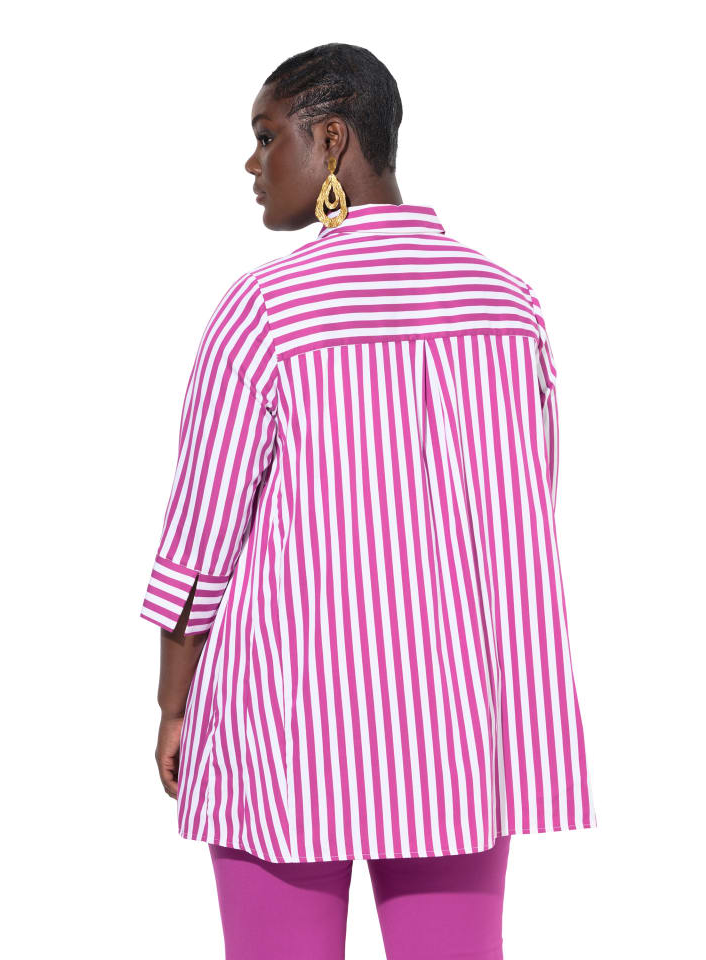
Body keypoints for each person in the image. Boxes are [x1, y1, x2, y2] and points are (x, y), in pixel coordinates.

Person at [140, 42, 597, 960]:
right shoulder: (509, 306)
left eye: (267, 136)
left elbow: (200, 537)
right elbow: (528, 503)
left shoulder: (267, 309)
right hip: (460, 721)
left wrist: (172, 704)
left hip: (286, 718)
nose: (251, 163)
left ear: (333, 140)